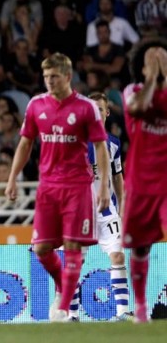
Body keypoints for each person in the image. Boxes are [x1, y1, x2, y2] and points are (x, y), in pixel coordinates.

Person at [4, 53, 111, 322]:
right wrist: (13, 177)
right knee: (41, 248)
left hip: (76, 185)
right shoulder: (36, 105)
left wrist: (104, 187)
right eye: (46, 77)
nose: (49, 81)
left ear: (67, 76)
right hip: (47, 186)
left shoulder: (86, 107)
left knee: (73, 244)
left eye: (54, 76)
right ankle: (64, 285)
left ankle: (62, 308)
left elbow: (100, 146)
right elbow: (25, 143)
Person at [67, 92, 133, 321]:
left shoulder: (113, 144)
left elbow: (118, 178)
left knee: (118, 257)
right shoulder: (74, 142)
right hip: (79, 214)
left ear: (106, 113)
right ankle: (72, 315)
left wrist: (122, 206)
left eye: (100, 108)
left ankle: (123, 312)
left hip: (107, 212)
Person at [121, 39, 167, 323]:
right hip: (140, 180)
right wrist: (152, 78)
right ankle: (140, 308)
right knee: (140, 246)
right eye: (154, 57)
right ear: (142, 65)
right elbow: (137, 109)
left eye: (163, 56)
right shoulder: (133, 91)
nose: (160, 60)